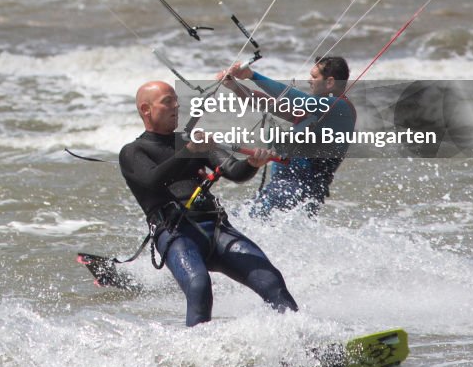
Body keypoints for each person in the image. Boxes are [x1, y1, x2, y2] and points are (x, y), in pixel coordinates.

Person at [119, 80, 298, 327]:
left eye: (176, 99)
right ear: (146, 110)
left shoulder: (191, 142)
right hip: (176, 235)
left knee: (270, 277)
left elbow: (234, 171)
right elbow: (153, 181)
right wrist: (190, 150)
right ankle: (200, 356)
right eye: (167, 101)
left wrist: (252, 164)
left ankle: (305, 345)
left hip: (216, 229)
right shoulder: (133, 152)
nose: (176, 105)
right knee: (198, 286)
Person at [218, 56, 356, 217]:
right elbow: (268, 104)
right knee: (230, 219)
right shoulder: (315, 112)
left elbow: (296, 98)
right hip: (279, 189)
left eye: (314, 76)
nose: (309, 80)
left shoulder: (339, 108)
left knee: (236, 221)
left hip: (300, 193)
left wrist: (252, 75)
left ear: (330, 82)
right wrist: (235, 87)